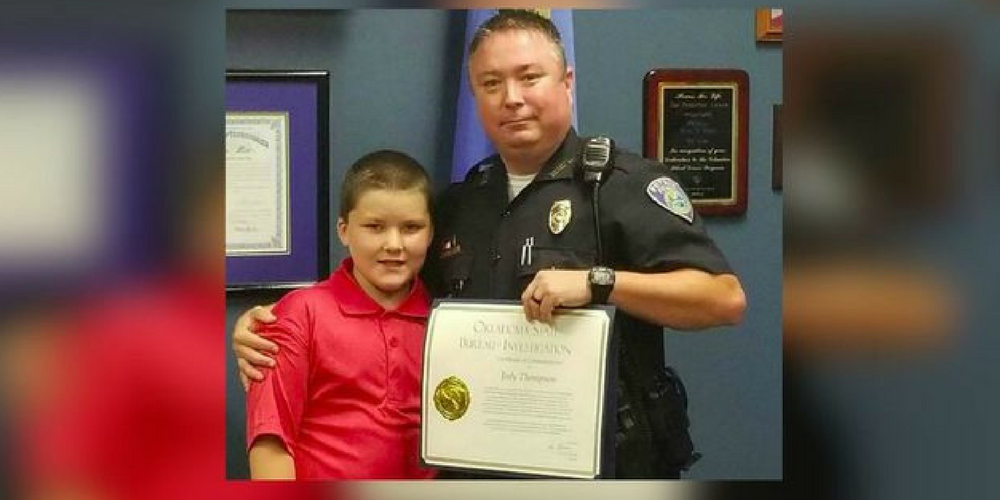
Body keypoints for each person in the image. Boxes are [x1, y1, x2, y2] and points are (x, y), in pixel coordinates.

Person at [233, 10, 746, 479]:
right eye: (491, 83)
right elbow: (389, 298)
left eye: (529, 77)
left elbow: (723, 299)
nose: (512, 98)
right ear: (475, 95)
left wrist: (599, 283)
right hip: (474, 464)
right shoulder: (460, 204)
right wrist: (266, 331)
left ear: (567, 82)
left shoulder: (620, 186)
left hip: (598, 468)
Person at [245, 150, 437, 480]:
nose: (394, 244)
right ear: (344, 230)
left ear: (431, 233)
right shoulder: (299, 314)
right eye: (374, 227)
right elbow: (270, 443)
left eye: (411, 228)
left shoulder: (445, 322)